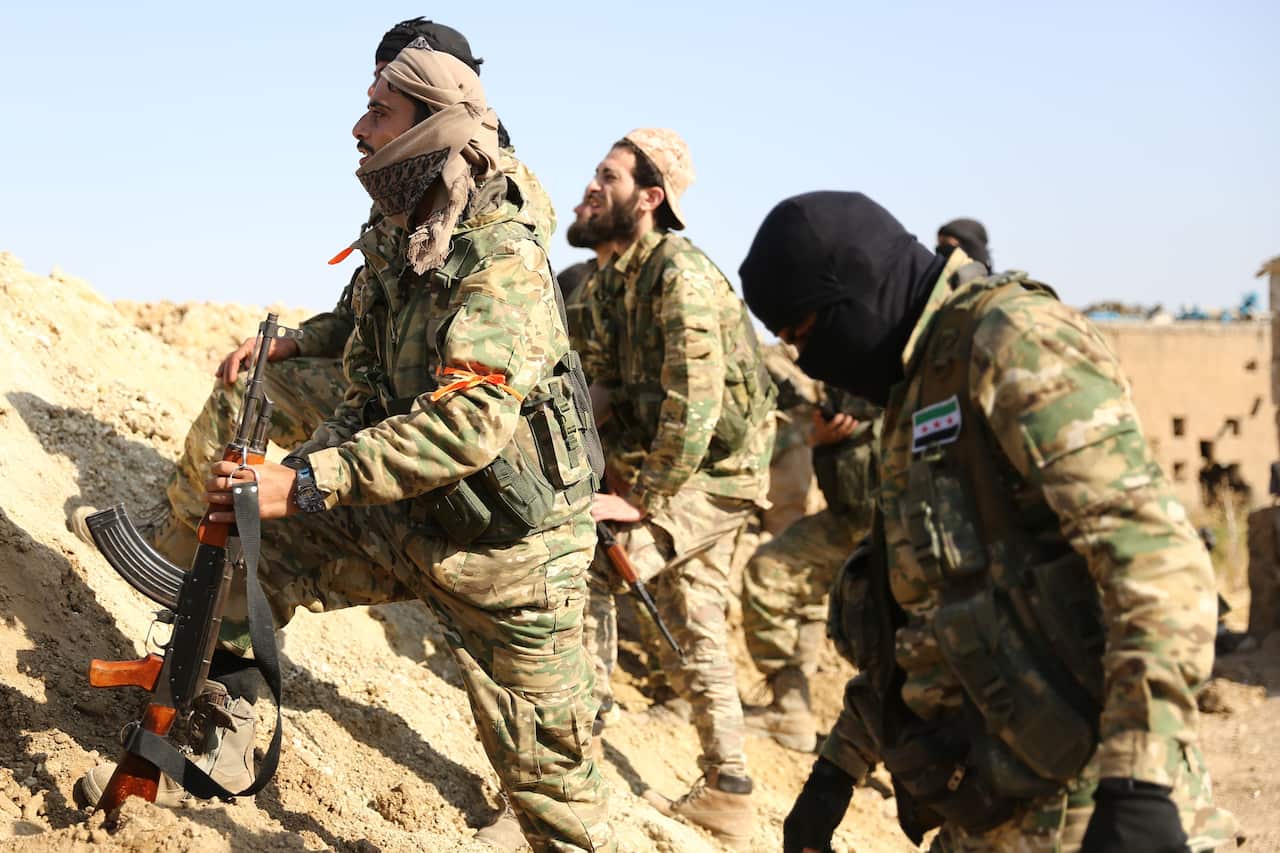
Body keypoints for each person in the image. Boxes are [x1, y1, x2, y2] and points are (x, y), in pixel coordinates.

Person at [84, 43, 615, 853]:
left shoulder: (500, 253)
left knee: (558, 807)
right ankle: (212, 721)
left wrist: (302, 480)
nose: (359, 129)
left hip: (511, 557)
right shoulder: (398, 226)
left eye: (380, 112)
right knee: (245, 560)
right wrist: (293, 482)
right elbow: (366, 389)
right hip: (404, 510)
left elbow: (469, 425)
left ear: (431, 128)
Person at [740, 191, 1237, 853]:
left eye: (803, 334)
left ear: (852, 290)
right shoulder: (914, 390)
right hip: (991, 804)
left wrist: (1140, 784)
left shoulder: (1012, 341)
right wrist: (836, 771)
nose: (806, 360)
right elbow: (926, 624)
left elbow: (1153, 557)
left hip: (1093, 809)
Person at [70, 17, 556, 568]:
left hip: (463, 450)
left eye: (388, 98)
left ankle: (193, 548)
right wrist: (300, 342)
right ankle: (183, 542)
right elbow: (367, 313)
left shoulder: (499, 209)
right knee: (258, 389)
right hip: (389, 403)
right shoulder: (408, 183)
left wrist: (306, 479)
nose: (365, 123)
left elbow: (474, 407)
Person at [570, 129, 775, 848]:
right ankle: (729, 788)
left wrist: (640, 498)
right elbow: (597, 386)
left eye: (609, 176)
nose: (593, 186)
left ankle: (577, 759)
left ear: (650, 198)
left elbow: (698, 404)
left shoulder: (679, 277)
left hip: (717, 473)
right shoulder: (611, 281)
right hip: (681, 467)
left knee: (593, 564)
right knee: (696, 624)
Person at [741, 385, 879, 752]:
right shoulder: (837, 373)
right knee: (773, 570)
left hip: (905, 524)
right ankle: (790, 708)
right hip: (851, 518)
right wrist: (821, 438)